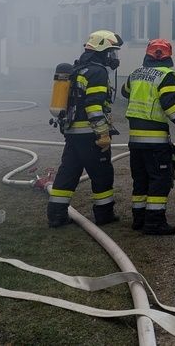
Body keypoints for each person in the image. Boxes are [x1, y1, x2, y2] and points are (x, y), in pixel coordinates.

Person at [47, 30, 122, 228]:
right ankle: (104, 215)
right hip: (90, 134)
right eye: (111, 52)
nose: (113, 56)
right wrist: (102, 133)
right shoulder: (98, 72)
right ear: (102, 51)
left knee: (68, 173)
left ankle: (56, 215)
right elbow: (94, 106)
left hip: (73, 133)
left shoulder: (78, 69)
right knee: (102, 174)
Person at [120, 39, 175, 235]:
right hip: (155, 140)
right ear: (168, 56)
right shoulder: (167, 75)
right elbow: (168, 104)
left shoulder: (135, 73)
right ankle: (154, 222)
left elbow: (124, 92)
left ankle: (139, 219)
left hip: (135, 139)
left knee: (140, 179)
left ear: (147, 54)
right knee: (160, 179)